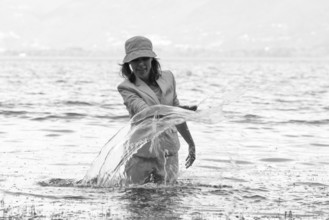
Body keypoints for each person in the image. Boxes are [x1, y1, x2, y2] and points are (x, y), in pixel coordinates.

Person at [117, 36, 197, 184]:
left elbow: (176, 118)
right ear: (128, 63)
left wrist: (190, 143)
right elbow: (145, 111)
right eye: (135, 60)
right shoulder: (126, 87)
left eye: (145, 58)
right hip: (140, 154)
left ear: (152, 59)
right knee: (136, 199)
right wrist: (178, 110)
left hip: (169, 152)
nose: (141, 64)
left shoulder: (168, 77)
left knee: (168, 199)